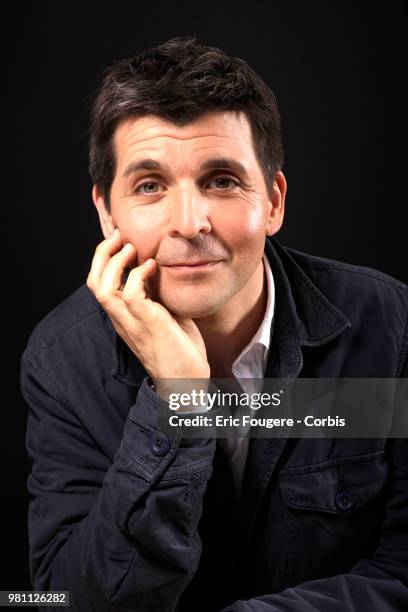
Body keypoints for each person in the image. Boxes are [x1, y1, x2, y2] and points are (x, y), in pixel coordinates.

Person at [20, 36, 408, 611]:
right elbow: (66, 599)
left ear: (273, 201)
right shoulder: (60, 362)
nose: (189, 223)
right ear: (106, 214)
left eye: (221, 180)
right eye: (150, 186)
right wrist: (178, 401)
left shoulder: (390, 323)